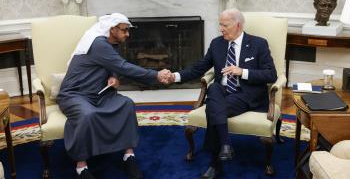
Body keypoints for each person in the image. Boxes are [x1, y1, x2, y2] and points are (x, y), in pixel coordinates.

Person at [57, 13, 171, 179]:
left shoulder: (109, 43)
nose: (128, 34)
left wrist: (114, 77)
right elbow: (123, 66)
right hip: (75, 95)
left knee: (126, 104)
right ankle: (81, 167)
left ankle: (128, 156)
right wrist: (156, 75)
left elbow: (113, 65)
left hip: (101, 93)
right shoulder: (98, 44)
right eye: (125, 30)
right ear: (112, 30)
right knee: (87, 115)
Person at [166, 9, 277, 179]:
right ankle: (225, 144)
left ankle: (214, 164)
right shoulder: (217, 43)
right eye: (220, 24)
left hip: (245, 94)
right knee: (214, 89)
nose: (221, 29)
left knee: (212, 107)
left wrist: (242, 71)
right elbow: (198, 68)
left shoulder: (258, 44)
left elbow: (271, 74)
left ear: (238, 25)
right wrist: (175, 76)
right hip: (222, 91)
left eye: (225, 25)